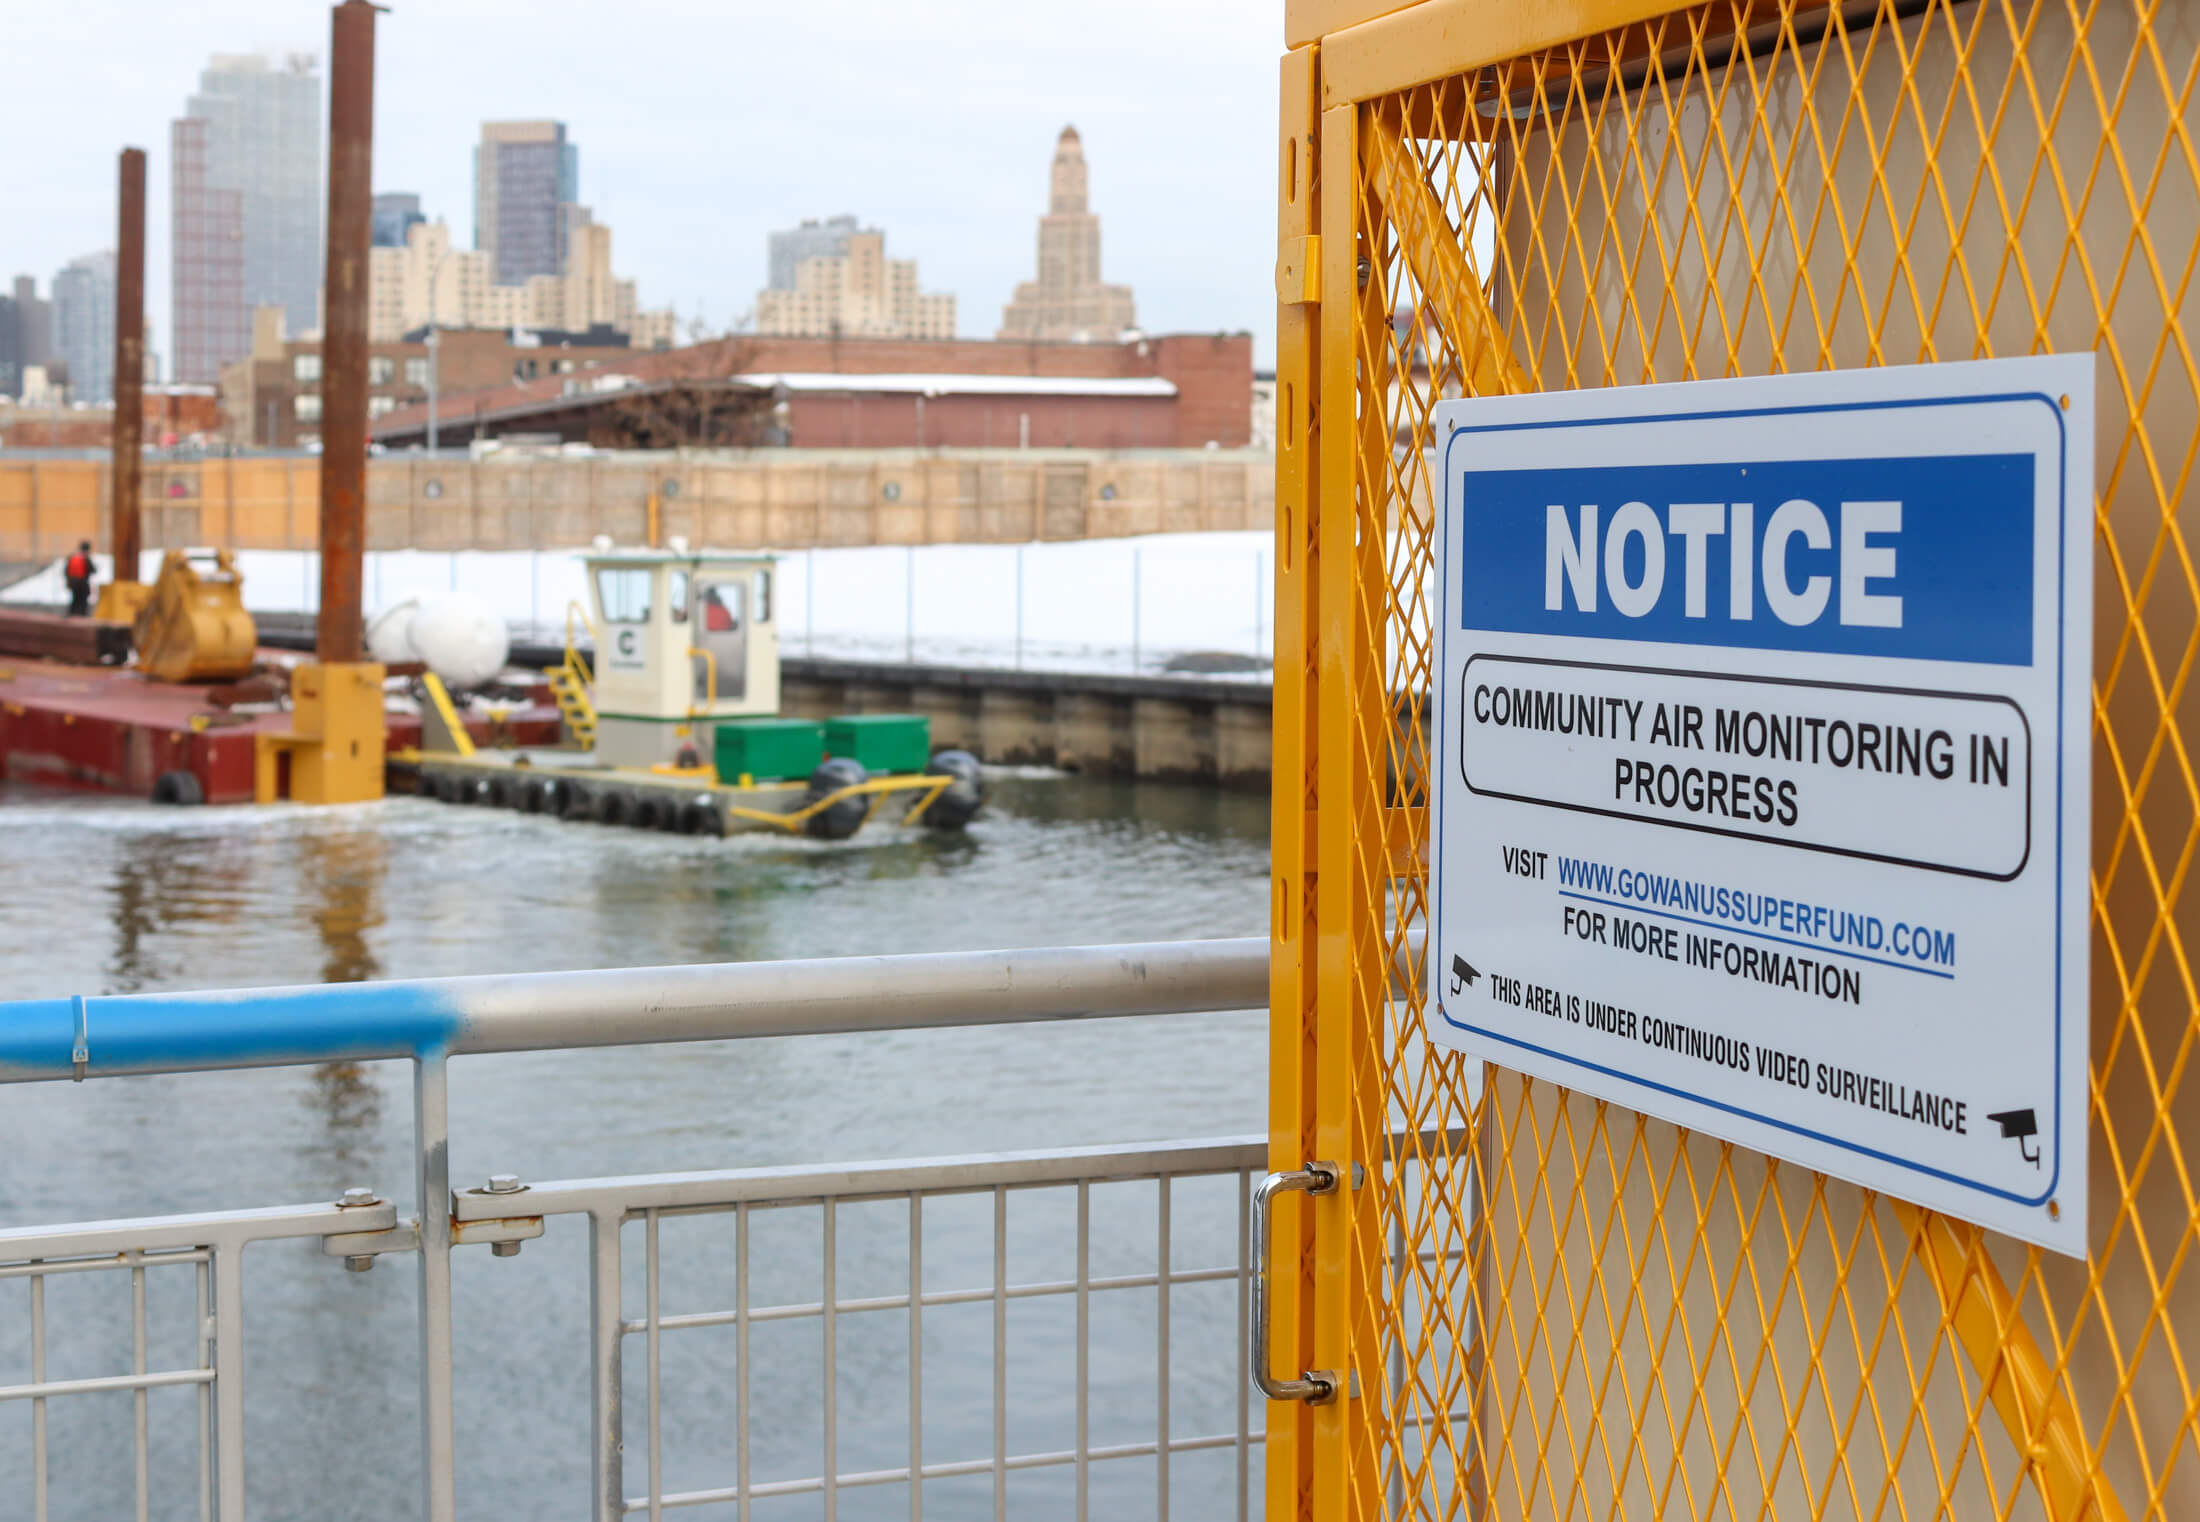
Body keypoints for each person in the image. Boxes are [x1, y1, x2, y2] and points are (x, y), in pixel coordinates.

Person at [62, 541, 95, 618]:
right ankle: (82, 617)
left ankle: (71, 616)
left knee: (74, 599)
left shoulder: (72, 557)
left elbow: (66, 571)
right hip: (83, 583)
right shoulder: (86, 558)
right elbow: (92, 570)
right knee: (83, 601)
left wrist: (69, 580)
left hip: (73, 582)